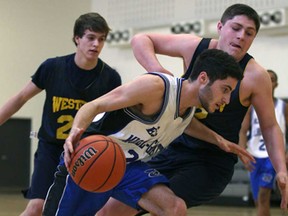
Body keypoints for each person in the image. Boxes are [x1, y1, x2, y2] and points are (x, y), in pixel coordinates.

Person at [97, 3, 288, 216]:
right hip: (172, 145)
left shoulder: (256, 76)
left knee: (168, 206)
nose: (241, 36)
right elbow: (140, 39)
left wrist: (281, 169)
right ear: (220, 27)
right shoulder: (195, 48)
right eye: (236, 28)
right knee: (109, 211)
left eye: (249, 33)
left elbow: (270, 126)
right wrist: (159, 72)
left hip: (211, 162)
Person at [51, 49, 252, 216]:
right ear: (203, 78)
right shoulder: (156, 87)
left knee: (174, 208)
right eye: (225, 89)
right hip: (93, 157)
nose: (226, 99)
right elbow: (94, 106)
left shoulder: (188, 111)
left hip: (127, 167)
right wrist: (74, 134)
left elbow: (185, 124)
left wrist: (218, 140)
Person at [0, 12, 121, 216]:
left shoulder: (110, 78)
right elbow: (21, 97)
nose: (96, 44)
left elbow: (116, 118)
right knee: (36, 207)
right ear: (77, 38)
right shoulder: (52, 67)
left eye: (101, 39)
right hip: (50, 148)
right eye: (91, 37)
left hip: (85, 151)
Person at [239, 69, 288, 216]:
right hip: (254, 156)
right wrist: (243, 152)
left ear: (276, 84)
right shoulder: (251, 107)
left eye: (272, 79)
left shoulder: (283, 106)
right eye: (266, 78)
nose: (269, 81)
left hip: (272, 156)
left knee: (263, 194)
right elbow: (242, 131)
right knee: (258, 200)